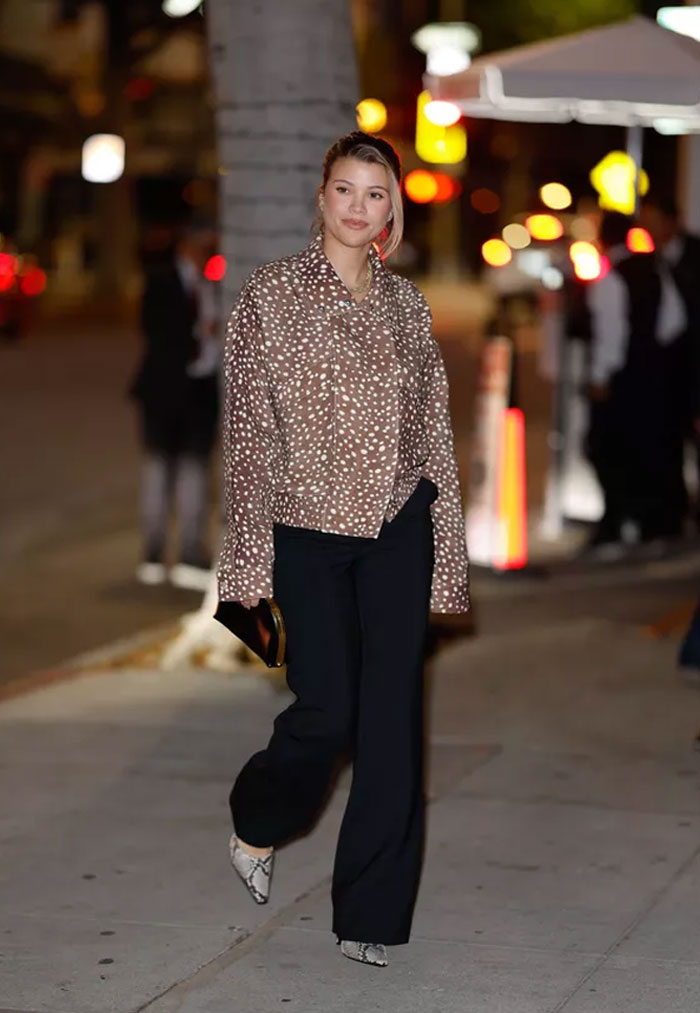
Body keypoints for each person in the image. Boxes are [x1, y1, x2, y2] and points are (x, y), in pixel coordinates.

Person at [216, 132, 469, 967]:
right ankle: (258, 818)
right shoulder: (271, 295)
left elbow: (432, 432)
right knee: (327, 709)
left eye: (376, 193)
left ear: (392, 208)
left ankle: (371, 913)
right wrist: (246, 563)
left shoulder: (406, 305)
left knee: (393, 723)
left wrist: (445, 554)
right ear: (321, 197)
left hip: (397, 527)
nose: (360, 207)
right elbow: (248, 439)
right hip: (307, 529)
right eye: (346, 189)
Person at [585, 211, 687, 555]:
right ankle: (655, 524)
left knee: (607, 450)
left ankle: (617, 524)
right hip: (653, 376)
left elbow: (610, 335)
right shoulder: (655, 270)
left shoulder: (612, 278)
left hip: (621, 380)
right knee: (653, 449)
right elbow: (673, 322)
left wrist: (600, 377)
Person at [130, 226, 220, 590]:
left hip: (200, 393)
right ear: (185, 247)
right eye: (201, 246)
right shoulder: (162, 283)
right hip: (164, 393)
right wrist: (199, 330)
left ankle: (191, 552)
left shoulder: (212, 286)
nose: (206, 253)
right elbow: (155, 331)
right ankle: (153, 552)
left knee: (195, 473)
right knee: (158, 471)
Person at [640, 194, 700, 525]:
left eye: (653, 221)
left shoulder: (693, 257)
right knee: (668, 446)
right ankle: (673, 515)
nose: (648, 229)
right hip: (667, 375)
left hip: (693, 370)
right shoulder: (651, 261)